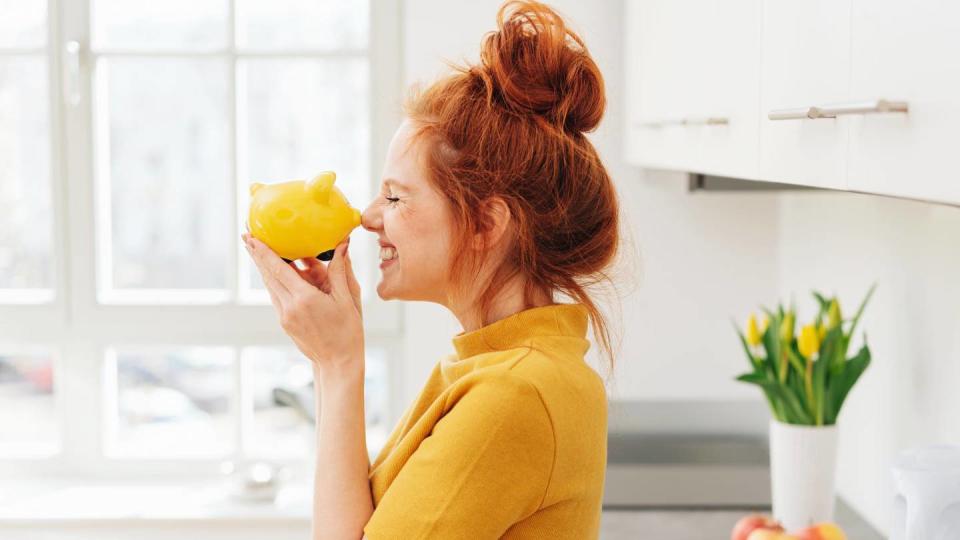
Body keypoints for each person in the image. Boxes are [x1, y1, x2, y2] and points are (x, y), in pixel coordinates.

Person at [242, 1, 620, 538]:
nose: (369, 218)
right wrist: (332, 361)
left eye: (395, 197)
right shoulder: (496, 367)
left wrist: (338, 362)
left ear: (487, 223)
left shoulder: (513, 395)